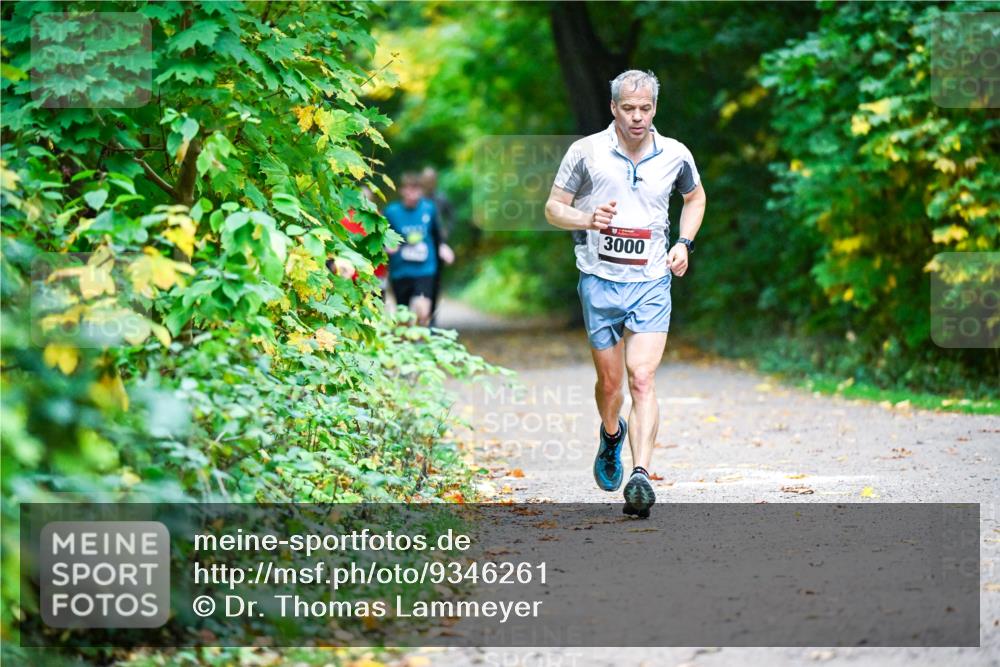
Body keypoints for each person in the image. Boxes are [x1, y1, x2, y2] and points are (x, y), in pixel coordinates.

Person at [544, 70, 707, 518]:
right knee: (611, 384)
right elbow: (554, 207)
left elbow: (695, 198)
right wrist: (586, 219)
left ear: (655, 108)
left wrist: (683, 243)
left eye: (646, 108)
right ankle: (611, 434)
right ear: (613, 108)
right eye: (629, 108)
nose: (638, 117)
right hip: (598, 280)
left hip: (652, 280)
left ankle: (641, 475)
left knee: (642, 378)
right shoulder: (586, 152)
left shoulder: (675, 154)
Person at [384, 173, 455, 326]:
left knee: (422, 310)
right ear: (401, 191)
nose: (412, 194)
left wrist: (443, 246)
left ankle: (422, 344)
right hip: (400, 270)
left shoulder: (429, 208)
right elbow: (381, 236)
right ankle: (406, 345)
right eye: (408, 190)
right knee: (403, 316)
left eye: (415, 190)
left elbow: (437, 233)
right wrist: (386, 246)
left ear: (421, 191)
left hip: (425, 269)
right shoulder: (391, 212)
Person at [420, 167, 455, 325]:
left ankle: (432, 317)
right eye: (426, 180)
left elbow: (452, 217)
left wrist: (446, 231)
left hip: (437, 246)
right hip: (419, 246)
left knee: (435, 281)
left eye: (431, 180)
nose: (429, 183)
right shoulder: (417, 199)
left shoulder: (441, 199)